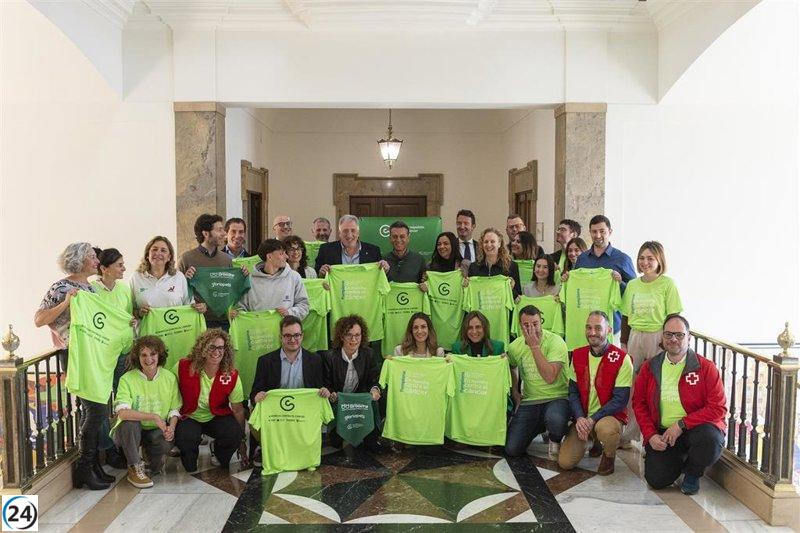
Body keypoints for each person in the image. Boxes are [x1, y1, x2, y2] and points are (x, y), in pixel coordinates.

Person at [633, 314, 726, 495]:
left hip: (696, 430)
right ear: (662, 337)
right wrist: (650, 435)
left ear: (689, 337)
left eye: (679, 335)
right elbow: (639, 403)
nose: (673, 339)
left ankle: (693, 472)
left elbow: (718, 408)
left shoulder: (705, 367)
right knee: (656, 480)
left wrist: (681, 425)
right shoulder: (650, 367)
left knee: (711, 440)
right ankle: (679, 460)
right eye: (668, 334)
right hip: (664, 433)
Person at [558, 312, 633, 475]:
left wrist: (592, 420)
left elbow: (620, 400)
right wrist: (579, 418)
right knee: (565, 463)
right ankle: (593, 440)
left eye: (598, 328)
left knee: (606, 430)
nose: (592, 332)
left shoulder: (622, 358)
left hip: (608, 417)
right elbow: (573, 392)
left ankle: (609, 454)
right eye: (589, 328)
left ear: (609, 330)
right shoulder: (577, 355)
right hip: (584, 417)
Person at [113, 336, 181, 488]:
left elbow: (174, 409)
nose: (148, 359)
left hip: (156, 430)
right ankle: (134, 467)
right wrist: (154, 416)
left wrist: (171, 428)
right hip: (130, 432)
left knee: (159, 457)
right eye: (143, 355)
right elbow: (123, 413)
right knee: (130, 423)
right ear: (137, 357)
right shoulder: (127, 379)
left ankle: (150, 460)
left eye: (153, 354)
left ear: (160, 355)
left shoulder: (169, 377)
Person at [174, 330, 247, 473]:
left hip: (216, 415)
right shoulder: (183, 366)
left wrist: (242, 439)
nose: (216, 352)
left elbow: (238, 409)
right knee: (189, 465)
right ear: (202, 348)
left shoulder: (231, 374)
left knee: (233, 433)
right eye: (212, 347)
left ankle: (217, 449)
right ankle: (189, 453)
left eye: (220, 348)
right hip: (190, 415)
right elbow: (169, 392)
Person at [504, 306, 570, 458]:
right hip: (531, 401)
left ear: (541, 322)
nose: (531, 329)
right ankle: (540, 426)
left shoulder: (556, 342)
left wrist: (534, 346)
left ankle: (556, 436)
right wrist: (515, 391)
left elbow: (550, 377)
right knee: (512, 449)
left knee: (555, 420)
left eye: (535, 324)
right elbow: (511, 366)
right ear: (520, 326)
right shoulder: (515, 346)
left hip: (557, 397)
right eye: (526, 325)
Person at [323, 315, 382, 450]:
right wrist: (331, 394)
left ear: (362, 336)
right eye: (349, 335)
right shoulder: (330, 356)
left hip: (360, 403)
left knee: (370, 444)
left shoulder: (369, 354)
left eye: (357, 335)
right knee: (336, 443)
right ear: (341, 336)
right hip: (339, 403)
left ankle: (373, 436)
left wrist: (375, 389)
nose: (353, 339)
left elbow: (374, 379)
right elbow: (326, 383)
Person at [621, 241, 683, 369]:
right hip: (635, 336)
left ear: (659, 260)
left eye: (650, 258)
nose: (645, 262)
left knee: (656, 376)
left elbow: (673, 316)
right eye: (642, 258)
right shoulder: (632, 285)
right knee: (632, 376)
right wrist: (623, 342)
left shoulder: (668, 284)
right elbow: (625, 315)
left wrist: (665, 340)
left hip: (658, 336)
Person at [572, 215, 636, 335]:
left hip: (613, 325)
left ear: (610, 232)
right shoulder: (582, 259)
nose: (598, 235)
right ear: (590, 232)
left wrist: (620, 283)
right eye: (594, 231)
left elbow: (634, 291)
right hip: (585, 324)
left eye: (602, 231)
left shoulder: (623, 259)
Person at [34, 242, 98, 353]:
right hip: (72, 352)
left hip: (90, 351)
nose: (98, 261)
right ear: (79, 260)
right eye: (93, 257)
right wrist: (65, 303)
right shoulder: (61, 287)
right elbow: (39, 320)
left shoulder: (92, 289)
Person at [177, 214, 232, 330]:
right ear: (206, 234)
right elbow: (176, 291)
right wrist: (185, 279)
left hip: (224, 322)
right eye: (219, 230)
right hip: (197, 321)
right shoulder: (186, 258)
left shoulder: (227, 259)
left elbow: (230, 289)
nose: (224, 234)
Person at [232, 239, 309, 319]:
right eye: (282, 253)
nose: (287, 256)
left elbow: (304, 306)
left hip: (285, 329)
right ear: (269, 257)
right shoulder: (250, 280)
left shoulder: (294, 277)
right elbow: (240, 307)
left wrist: (289, 313)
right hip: (258, 329)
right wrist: (237, 313)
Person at [91, 248, 134, 388]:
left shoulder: (125, 289)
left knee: (121, 392)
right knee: (101, 393)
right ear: (104, 268)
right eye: (119, 265)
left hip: (123, 353)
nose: (124, 268)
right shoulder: (91, 290)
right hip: (101, 352)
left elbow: (128, 317)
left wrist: (132, 320)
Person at [130, 236, 202, 317]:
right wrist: (139, 313)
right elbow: (129, 310)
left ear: (169, 257)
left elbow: (189, 306)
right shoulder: (136, 277)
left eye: (163, 250)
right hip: (146, 329)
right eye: (154, 249)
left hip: (175, 329)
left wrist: (199, 308)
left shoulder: (179, 277)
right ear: (147, 255)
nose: (158, 253)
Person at [315, 214, 386, 275]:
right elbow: (316, 275)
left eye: (353, 230)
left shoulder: (373, 251)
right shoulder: (326, 250)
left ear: (358, 233)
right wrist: (321, 273)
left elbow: (380, 277)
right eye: (345, 231)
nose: (349, 235)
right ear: (339, 233)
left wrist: (385, 269)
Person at [467, 228, 521, 298]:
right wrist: (466, 285)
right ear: (482, 245)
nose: (489, 245)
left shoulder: (512, 266)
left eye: (492, 241)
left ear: (499, 244)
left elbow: (518, 297)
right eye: (486, 242)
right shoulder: (473, 267)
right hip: (479, 308)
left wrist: (511, 288)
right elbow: (470, 294)